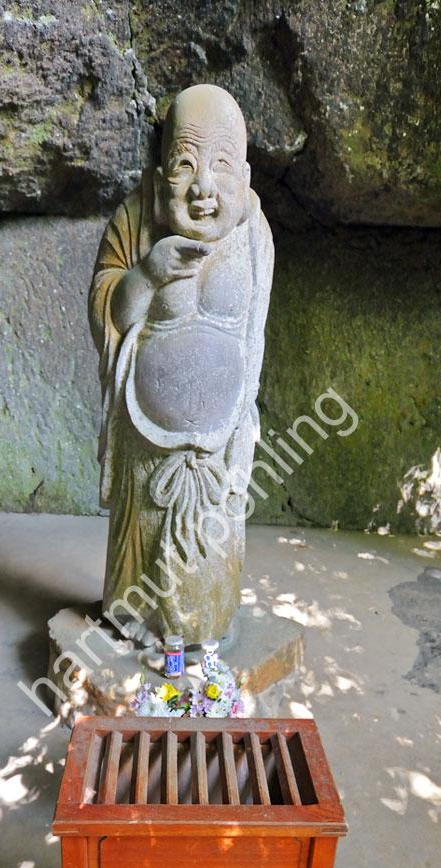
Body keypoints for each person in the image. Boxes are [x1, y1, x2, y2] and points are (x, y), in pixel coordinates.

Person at [89, 84, 274, 645]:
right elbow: (107, 309)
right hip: (145, 439)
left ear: (244, 176)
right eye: (185, 165)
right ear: (159, 174)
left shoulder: (255, 235)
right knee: (140, 561)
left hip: (216, 442)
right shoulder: (136, 217)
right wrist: (147, 274)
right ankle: (135, 623)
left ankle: (206, 634)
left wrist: (242, 428)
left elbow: (254, 336)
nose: (203, 188)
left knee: (207, 571)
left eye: (221, 166)